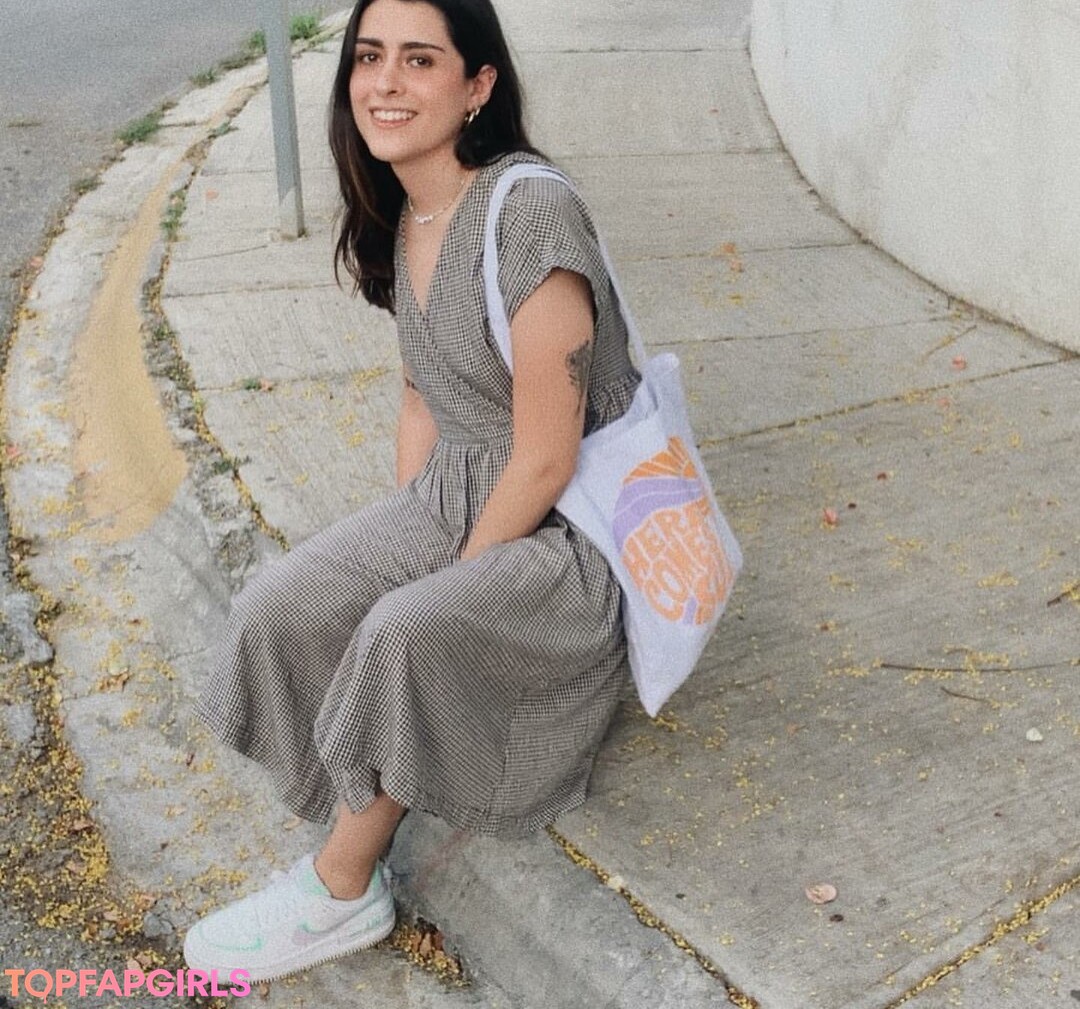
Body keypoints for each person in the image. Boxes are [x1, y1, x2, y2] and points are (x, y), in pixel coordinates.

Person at [184, 0, 639, 985]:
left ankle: (342, 887)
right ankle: (359, 785)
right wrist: (408, 531)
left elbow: (547, 457)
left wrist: (445, 592)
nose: (385, 82)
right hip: (459, 489)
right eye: (369, 57)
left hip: (572, 533)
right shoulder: (406, 208)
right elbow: (420, 396)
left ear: (478, 85)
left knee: (407, 632)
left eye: (420, 60)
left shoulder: (529, 212)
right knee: (283, 603)